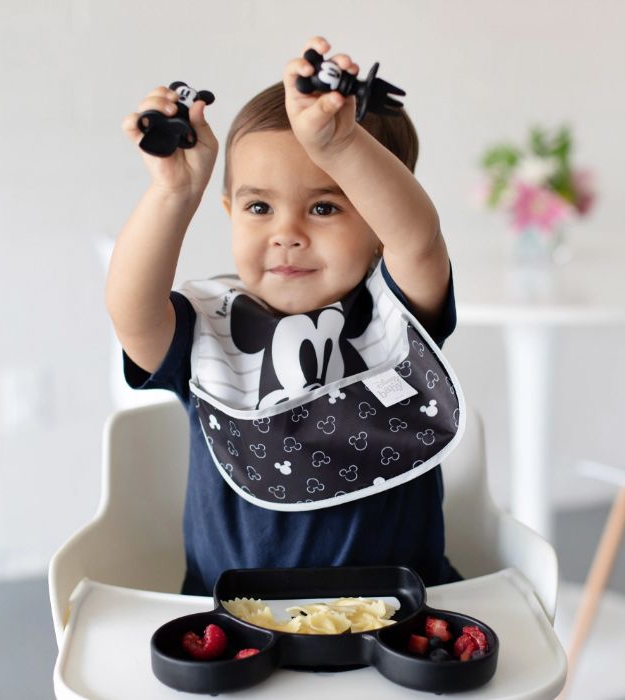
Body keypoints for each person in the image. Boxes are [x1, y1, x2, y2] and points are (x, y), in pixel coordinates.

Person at [106, 37, 463, 596]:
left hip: (402, 616)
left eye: (324, 207)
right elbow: (132, 314)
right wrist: (173, 193)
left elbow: (418, 240)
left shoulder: (396, 315)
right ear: (228, 212)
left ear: (378, 226)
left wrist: (342, 146)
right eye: (259, 207)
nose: (287, 234)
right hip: (230, 623)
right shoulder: (208, 329)